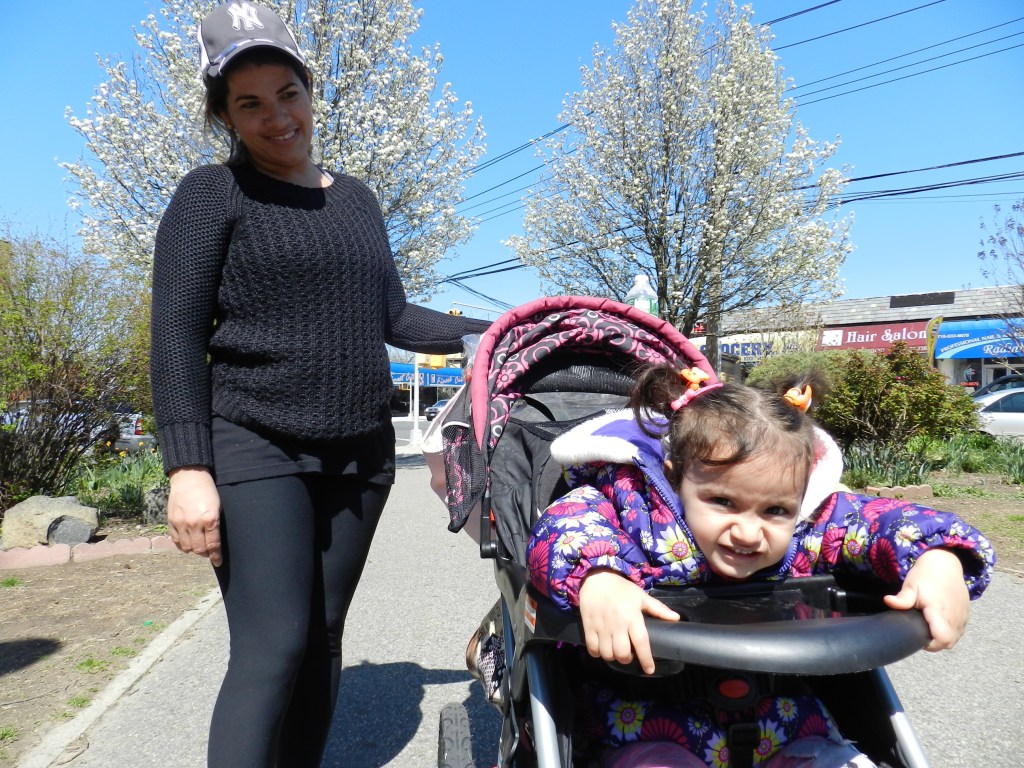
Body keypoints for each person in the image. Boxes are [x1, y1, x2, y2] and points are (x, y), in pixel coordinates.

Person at [149, 3, 489, 766]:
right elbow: (175, 334)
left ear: (310, 89)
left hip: (359, 456)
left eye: (287, 93)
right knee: (272, 648)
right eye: (249, 103)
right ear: (225, 116)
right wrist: (188, 469)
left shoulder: (357, 199)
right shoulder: (212, 196)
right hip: (256, 443)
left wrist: (496, 329)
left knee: (324, 639)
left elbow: (394, 314)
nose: (276, 117)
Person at [526, 365, 995, 768]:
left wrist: (939, 558)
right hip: (647, 725)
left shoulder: (812, 526)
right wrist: (600, 578)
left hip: (788, 721)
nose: (749, 533)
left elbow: (880, 521)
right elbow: (568, 526)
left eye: (775, 510)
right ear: (675, 477)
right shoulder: (635, 510)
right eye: (722, 501)